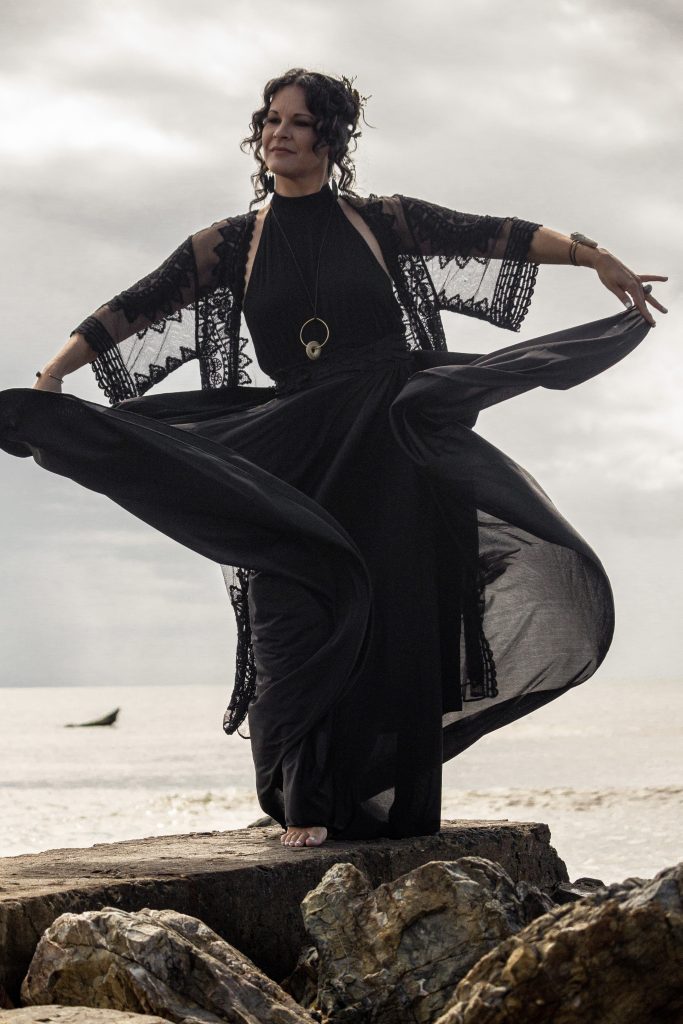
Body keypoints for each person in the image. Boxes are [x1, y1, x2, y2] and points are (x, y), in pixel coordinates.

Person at [0, 69, 667, 850]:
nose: (277, 133)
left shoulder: (380, 221)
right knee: (290, 611)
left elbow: (491, 234)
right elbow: (136, 304)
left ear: (331, 138)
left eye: (297, 123)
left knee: (389, 617)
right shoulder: (229, 244)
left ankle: (359, 799)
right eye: (270, 121)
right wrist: (53, 374)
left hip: (386, 447)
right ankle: (298, 791)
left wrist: (595, 257)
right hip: (296, 448)